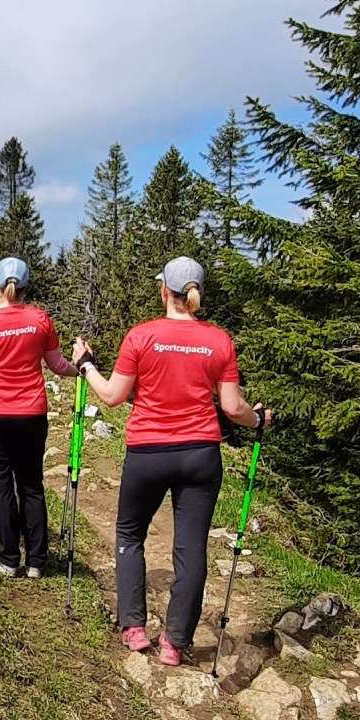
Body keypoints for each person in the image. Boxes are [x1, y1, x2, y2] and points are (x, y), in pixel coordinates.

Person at [75, 255, 269, 665]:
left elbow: (112, 396)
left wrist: (86, 365)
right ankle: (175, 643)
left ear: (164, 290)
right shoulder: (219, 341)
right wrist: (259, 420)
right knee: (191, 548)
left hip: (148, 451)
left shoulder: (141, 336)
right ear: (197, 293)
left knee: (130, 534)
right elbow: (233, 408)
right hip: (200, 454)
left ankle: (134, 627)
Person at [0, 256, 86, 578]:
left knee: (0, 485)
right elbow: (57, 365)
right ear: (26, 288)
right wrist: (81, 369)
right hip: (30, 413)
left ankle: (9, 559)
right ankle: (37, 563)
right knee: (31, 485)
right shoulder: (40, 320)